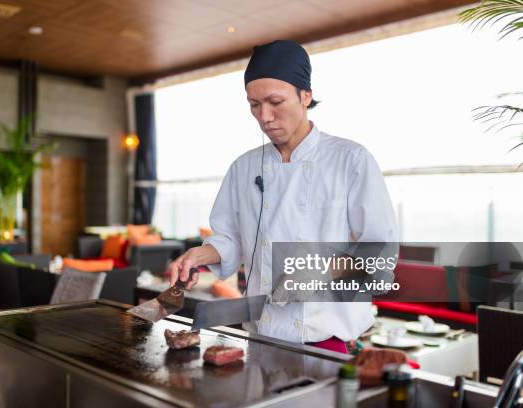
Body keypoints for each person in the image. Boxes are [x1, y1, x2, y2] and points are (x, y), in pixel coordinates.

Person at [168, 40, 398, 352]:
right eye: (254, 104)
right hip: (259, 336)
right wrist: (199, 255)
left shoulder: (350, 160)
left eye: (275, 102)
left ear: (306, 95)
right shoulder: (243, 167)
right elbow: (231, 239)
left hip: (327, 343)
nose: (264, 116)